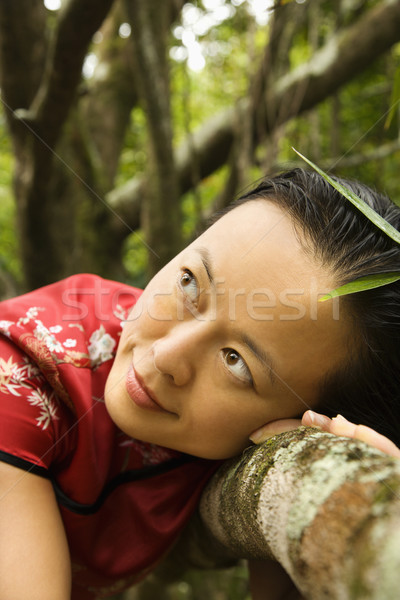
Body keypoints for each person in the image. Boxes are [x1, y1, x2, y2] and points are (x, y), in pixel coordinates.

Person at [0, 168, 399, 600]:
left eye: (236, 363)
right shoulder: (21, 374)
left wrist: (359, 475)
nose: (168, 356)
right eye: (189, 282)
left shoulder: (240, 437)